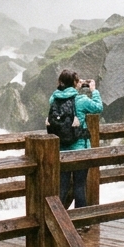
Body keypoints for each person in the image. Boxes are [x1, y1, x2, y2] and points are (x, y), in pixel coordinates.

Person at [48, 70, 104, 210]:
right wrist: (93, 90)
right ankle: (81, 221)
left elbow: (59, 95)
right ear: (75, 83)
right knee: (79, 185)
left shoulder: (54, 99)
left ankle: (58, 219)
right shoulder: (81, 100)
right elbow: (98, 107)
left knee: (63, 186)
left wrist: (73, 84)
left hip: (61, 150)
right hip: (80, 149)